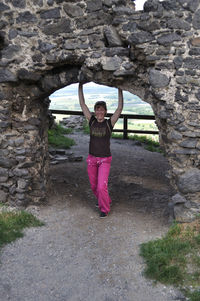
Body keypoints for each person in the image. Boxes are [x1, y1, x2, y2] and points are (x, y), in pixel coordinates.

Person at [78, 83, 124, 218]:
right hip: (92, 159)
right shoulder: (91, 121)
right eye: (97, 109)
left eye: (102, 109)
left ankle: (104, 209)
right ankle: (105, 199)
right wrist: (80, 87)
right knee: (93, 186)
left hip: (105, 159)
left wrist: (120, 89)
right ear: (94, 111)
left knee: (101, 186)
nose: (99, 112)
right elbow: (82, 104)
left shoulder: (109, 123)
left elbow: (119, 108)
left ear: (105, 111)